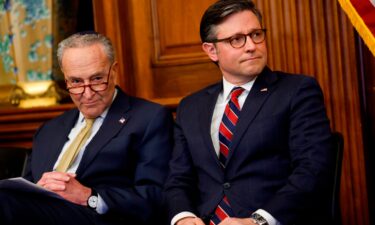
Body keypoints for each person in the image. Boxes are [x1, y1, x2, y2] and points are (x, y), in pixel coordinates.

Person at [164, 1, 335, 225]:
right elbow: (178, 179)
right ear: (211, 50)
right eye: (236, 39)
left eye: (256, 34)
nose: (251, 46)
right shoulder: (190, 107)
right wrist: (183, 217)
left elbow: (313, 170)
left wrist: (258, 221)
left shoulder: (297, 91)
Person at [0, 32, 173, 225]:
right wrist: (37, 190)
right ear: (66, 80)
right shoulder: (48, 130)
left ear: (114, 71)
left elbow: (155, 197)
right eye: (76, 82)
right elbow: (21, 193)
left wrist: (89, 197)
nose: (87, 94)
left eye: (97, 79)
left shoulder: (149, 118)